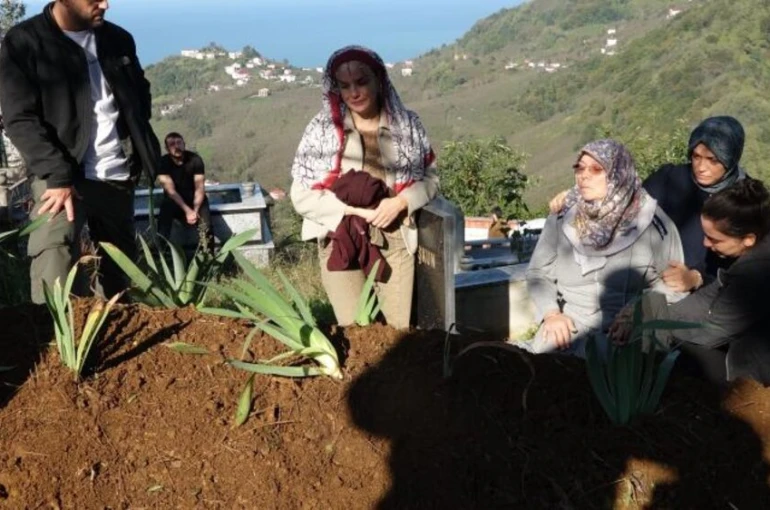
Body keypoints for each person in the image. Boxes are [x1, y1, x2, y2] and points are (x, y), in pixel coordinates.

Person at [0, 0, 161, 303]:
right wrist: (58, 176)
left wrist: (139, 149)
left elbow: (140, 94)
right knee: (54, 264)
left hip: (117, 175)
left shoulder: (118, 39)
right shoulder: (25, 42)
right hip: (61, 179)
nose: (106, 4)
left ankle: (113, 338)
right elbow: (19, 118)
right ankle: (57, 346)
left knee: (118, 280)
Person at [290, 45, 439, 329]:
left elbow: (430, 178)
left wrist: (402, 202)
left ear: (379, 81)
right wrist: (352, 210)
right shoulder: (322, 132)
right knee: (357, 331)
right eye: (345, 86)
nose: (354, 93)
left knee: (397, 333)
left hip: (395, 237)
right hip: (341, 238)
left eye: (362, 82)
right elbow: (301, 197)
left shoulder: (407, 126)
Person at [521, 140, 685, 356]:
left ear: (619, 173)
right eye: (579, 167)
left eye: (596, 169)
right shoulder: (562, 218)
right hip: (568, 330)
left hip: (627, 334)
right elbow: (537, 272)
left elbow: (675, 284)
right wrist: (551, 314)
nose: (584, 175)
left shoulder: (653, 223)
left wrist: (640, 311)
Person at [548, 116, 746, 294]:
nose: (701, 167)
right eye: (696, 156)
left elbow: (745, 260)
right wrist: (576, 195)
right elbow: (627, 200)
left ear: (730, 159)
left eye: (712, 160)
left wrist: (697, 277)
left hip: (705, 294)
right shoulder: (671, 178)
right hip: (654, 279)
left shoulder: (745, 198)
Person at [618, 179, 770, 386]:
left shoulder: (756, 270)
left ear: (748, 239)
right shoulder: (754, 252)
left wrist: (651, 320)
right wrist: (649, 310)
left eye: (714, 239)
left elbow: (712, 330)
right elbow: (710, 297)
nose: (705, 244)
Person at [157, 132, 215, 253]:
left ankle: (208, 256)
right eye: (172, 144)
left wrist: (195, 209)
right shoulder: (162, 163)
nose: (176, 146)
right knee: (162, 225)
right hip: (174, 200)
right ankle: (161, 254)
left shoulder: (195, 160)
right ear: (167, 148)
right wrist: (188, 211)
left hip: (195, 199)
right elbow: (171, 191)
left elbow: (200, 187)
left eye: (179, 143)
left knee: (207, 227)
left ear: (184, 144)